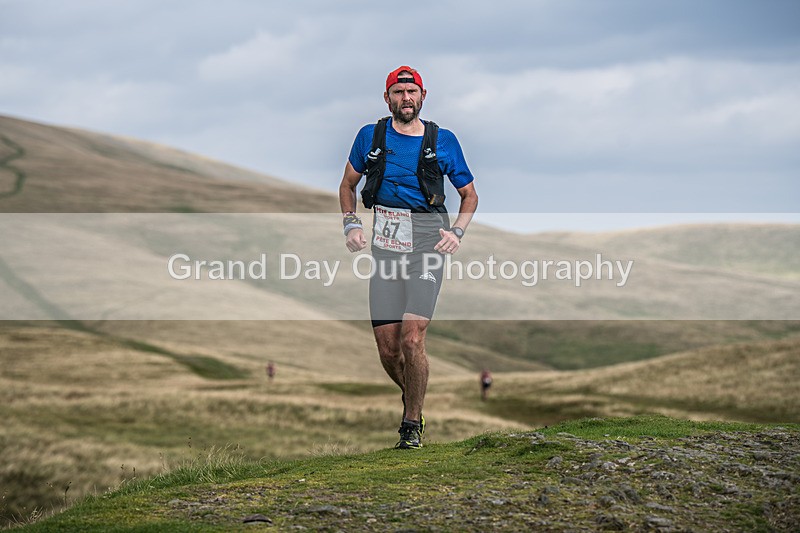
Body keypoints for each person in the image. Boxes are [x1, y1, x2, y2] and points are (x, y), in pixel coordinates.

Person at [338, 66, 478, 449]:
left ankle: (411, 425)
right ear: (387, 98)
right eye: (398, 92)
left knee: (412, 337)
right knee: (388, 348)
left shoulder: (443, 140)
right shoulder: (371, 136)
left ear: (423, 96)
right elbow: (348, 185)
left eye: (411, 92)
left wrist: (458, 232)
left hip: (428, 244)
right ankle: (413, 394)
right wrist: (351, 224)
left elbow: (469, 196)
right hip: (386, 245)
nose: (405, 98)